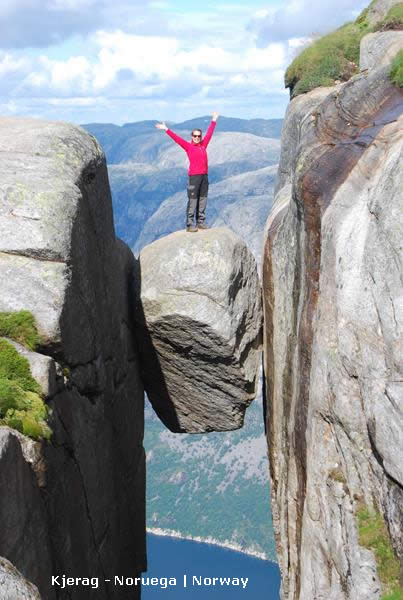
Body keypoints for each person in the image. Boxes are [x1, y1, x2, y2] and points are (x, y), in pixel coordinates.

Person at [155, 112, 219, 232]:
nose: (197, 138)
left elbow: (209, 134)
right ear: (191, 136)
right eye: (195, 136)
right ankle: (190, 224)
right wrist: (166, 129)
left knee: (203, 199)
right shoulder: (188, 147)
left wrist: (214, 120)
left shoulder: (203, 145)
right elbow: (177, 139)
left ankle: (200, 222)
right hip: (194, 177)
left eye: (199, 136)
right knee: (193, 200)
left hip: (204, 176)